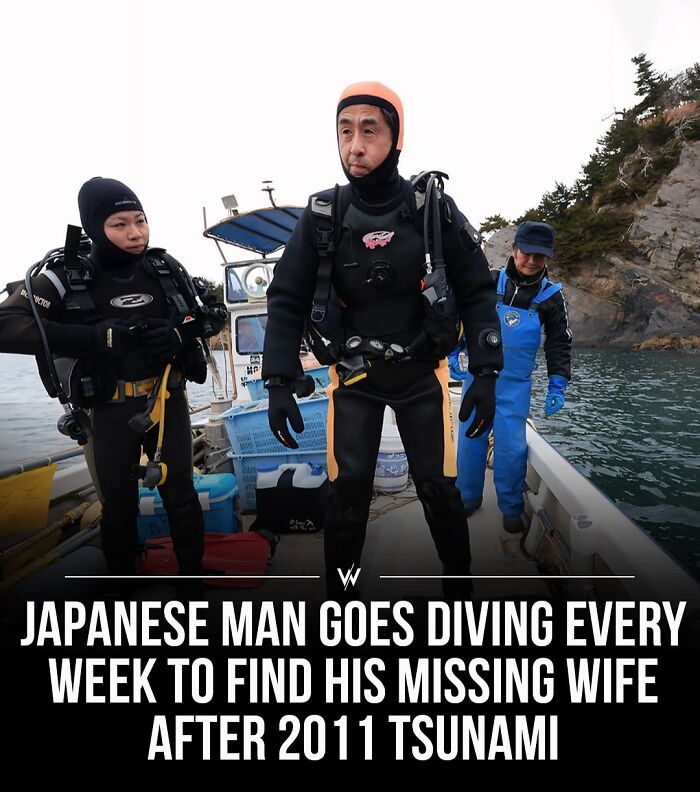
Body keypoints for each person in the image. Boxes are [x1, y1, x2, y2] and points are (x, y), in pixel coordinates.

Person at [261, 81, 503, 599]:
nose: (355, 145)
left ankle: (459, 593)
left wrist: (485, 371)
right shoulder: (324, 217)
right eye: (344, 131)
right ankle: (342, 600)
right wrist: (279, 379)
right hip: (354, 378)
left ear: (396, 138)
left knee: (440, 491)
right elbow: (285, 298)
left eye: (369, 130)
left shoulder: (431, 208)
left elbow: (479, 289)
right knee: (346, 496)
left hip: (422, 374)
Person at [0, 177, 227, 585]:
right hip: (107, 409)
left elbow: (212, 313)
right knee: (119, 507)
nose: (135, 233)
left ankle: (192, 578)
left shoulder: (165, 269)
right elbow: (7, 325)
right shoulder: (63, 276)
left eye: (140, 220)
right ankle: (122, 593)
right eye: (119, 224)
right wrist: (98, 337)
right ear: (92, 227)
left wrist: (180, 333)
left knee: (181, 494)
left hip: (166, 400)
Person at [449, 221, 572, 533]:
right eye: (526, 253)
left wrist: (558, 381)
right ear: (514, 249)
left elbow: (559, 340)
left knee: (511, 445)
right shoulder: (489, 282)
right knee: (470, 439)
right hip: (477, 377)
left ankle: (511, 507)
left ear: (548, 258)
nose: (531, 262)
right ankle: (468, 496)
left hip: (515, 387)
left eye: (540, 257)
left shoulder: (551, 296)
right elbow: (463, 318)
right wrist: (452, 351)